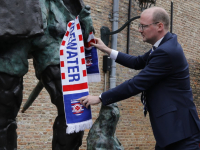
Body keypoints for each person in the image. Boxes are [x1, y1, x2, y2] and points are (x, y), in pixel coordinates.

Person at [78, 6, 200, 150]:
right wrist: (106, 49)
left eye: (143, 26)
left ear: (159, 26)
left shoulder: (167, 52)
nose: (139, 29)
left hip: (181, 134)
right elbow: (137, 62)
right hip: (172, 132)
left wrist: (100, 97)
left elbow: (136, 83)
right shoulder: (164, 46)